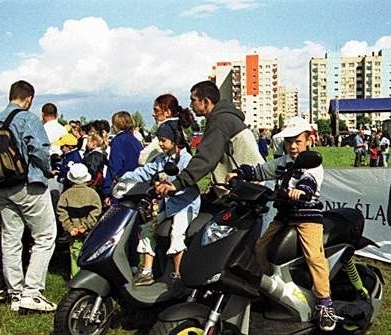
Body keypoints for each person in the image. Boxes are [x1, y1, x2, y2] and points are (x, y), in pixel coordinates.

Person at [226, 116, 339, 332]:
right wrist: (240, 173)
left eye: (297, 141)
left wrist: (301, 191)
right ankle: (271, 288)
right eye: (289, 142)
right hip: (285, 216)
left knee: (314, 257)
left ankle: (325, 303)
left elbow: (309, 181)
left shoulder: (312, 163)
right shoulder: (284, 161)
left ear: (308, 140)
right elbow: (262, 170)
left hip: (307, 218)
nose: (293, 146)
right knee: (260, 247)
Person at [0, 80, 57, 312]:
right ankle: (32, 292)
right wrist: (47, 170)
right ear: (29, 99)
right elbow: (39, 150)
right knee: (45, 236)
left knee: (11, 240)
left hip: (2, 187)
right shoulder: (29, 118)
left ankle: (14, 293)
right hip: (29, 185)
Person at [120, 120, 200, 287]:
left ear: (175, 140)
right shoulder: (163, 159)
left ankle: (178, 276)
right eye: (159, 140)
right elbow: (146, 171)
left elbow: (189, 183)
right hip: (171, 204)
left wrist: (171, 189)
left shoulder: (186, 159)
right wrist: (125, 178)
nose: (160, 144)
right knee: (148, 228)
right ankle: (147, 272)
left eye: (163, 140)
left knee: (177, 233)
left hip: (186, 205)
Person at [155, 80, 264, 202]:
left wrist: (177, 184)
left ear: (206, 102)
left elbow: (206, 158)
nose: (191, 105)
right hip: (248, 188)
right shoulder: (221, 118)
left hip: (254, 191)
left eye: (193, 100)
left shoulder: (220, 121)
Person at [56, 163, 102, 277]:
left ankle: (76, 275)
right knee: (90, 251)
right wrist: (86, 225)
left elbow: (61, 212)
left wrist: (69, 227)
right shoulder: (93, 194)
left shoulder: (66, 195)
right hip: (89, 230)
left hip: (73, 229)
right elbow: (96, 211)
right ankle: (89, 275)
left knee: (75, 252)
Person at [139, 94, 196, 166]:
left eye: (156, 110)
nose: (153, 114)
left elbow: (142, 159)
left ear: (167, 112)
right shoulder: (178, 128)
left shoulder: (166, 134)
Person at [102, 111, 143, 207]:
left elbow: (115, 166)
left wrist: (107, 190)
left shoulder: (118, 141)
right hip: (137, 184)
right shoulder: (136, 141)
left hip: (122, 186)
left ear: (116, 125)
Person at [82, 131, 108, 198]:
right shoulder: (100, 154)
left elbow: (92, 170)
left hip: (93, 183)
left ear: (94, 143)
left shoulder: (95, 156)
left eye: (88, 142)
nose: (86, 144)